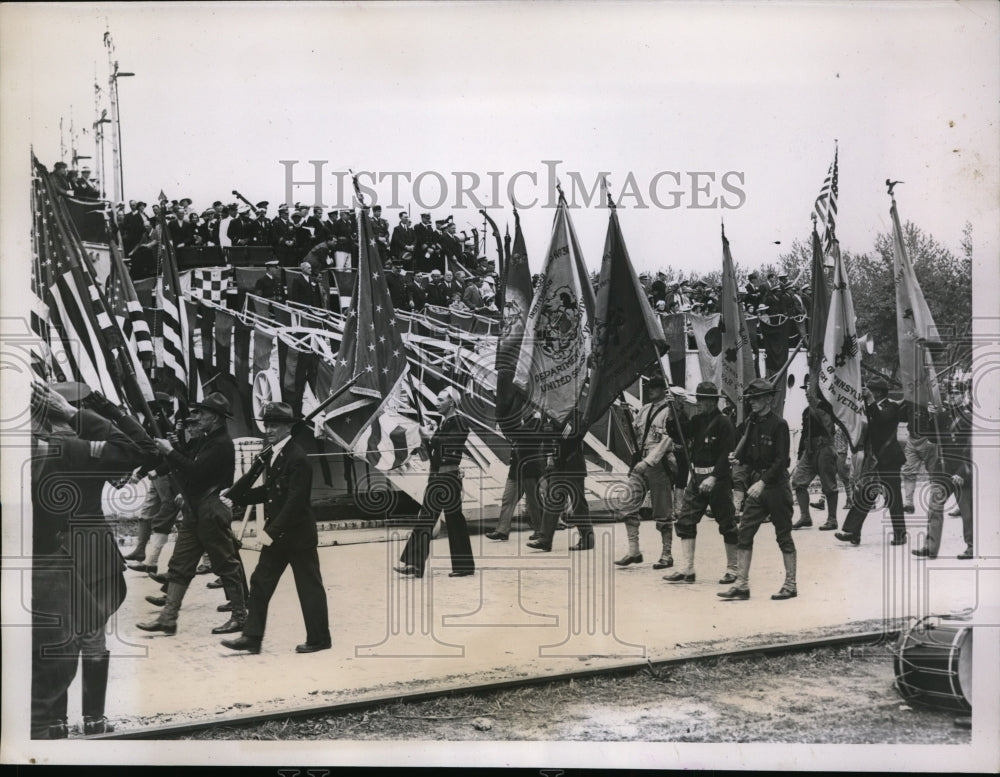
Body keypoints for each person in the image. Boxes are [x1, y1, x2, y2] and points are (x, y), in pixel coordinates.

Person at [221, 403, 331, 654]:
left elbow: (295, 503)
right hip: (279, 536)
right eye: (266, 424)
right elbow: (271, 492)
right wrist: (236, 496)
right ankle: (252, 637)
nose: (268, 429)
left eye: (274, 425)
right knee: (260, 582)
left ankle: (319, 638)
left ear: (287, 428)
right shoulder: (275, 454)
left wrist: (270, 531)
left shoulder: (297, 458)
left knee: (309, 587)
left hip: (298, 536)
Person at [136, 393, 247, 635]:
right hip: (196, 509)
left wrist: (169, 452)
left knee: (226, 564)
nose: (197, 417)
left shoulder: (221, 444)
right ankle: (168, 618)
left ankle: (240, 616)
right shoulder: (206, 440)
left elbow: (195, 471)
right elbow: (187, 465)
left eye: (202, 414)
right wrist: (173, 450)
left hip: (210, 508)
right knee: (180, 564)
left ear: (215, 418)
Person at [718, 378, 796, 600]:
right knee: (744, 532)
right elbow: (749, 455)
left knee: (783, 536)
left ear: (769, 399)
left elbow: (781, 460)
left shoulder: (779, 425)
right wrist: (737, 457)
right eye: (751, 399)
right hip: (757, 485)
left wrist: (762, 483)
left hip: (776, 486)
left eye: (757, 398)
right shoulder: (752, 424)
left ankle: (791, 584)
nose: (752, 402)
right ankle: (742, 585)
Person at [396, 389, 475, 578]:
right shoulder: (446, 423)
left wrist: (431, 436)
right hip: (439, 478)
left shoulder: (460, 422)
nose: (437, 403)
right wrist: (429, 436)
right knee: (428, 519)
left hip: (447, 478)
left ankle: (462, 566)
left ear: (452, 403)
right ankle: (417, 564)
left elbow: (452, 443)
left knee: (452, 520)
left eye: (441, 400)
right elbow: (436, 450)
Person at [665, 381, 738, 585]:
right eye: (699, 399)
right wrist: (674, 411)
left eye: (705, 400)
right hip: (696, 478)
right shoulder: (697, 420)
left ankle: (733, 569)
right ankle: (687, 568)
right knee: (685, 520)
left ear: (714, 401)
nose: (700, 403)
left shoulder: (724, 422)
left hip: (718, 479)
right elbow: (679, 432)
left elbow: (727, 454)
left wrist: (714, 477)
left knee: (727, 523)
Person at [615, 375, 678, 569]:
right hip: (641, 460)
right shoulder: (643, 410)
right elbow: (634, 435)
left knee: (662, 510)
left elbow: (668, 440)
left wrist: (649, 462)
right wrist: (625, 418)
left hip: (660, 463)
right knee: (627, 503)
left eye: (655, 387)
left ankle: (667, 554)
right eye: (649, 387)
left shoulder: (671, 412)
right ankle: (634, 551)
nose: (650, 390)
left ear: (663, 390)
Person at [836, 377, 908, 546]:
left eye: (870, 390)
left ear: (877, 392)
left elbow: (882, 420)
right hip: (873, 459)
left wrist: (869, 402)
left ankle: (900, 534)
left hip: (889, 459)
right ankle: (853, 532)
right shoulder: (869, 408)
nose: (867, 393)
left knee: (893, 497)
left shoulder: (892, 407)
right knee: (864, 495)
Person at [912, 388, 974, 560]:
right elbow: (931, 437)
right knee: (934, 507)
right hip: (943, 470)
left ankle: (972, 546)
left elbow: (973, 449)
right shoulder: (943, 415)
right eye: (949, 393)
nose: (952, 396)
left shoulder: (970, 418)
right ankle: (930, 547)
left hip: (963, 470)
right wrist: (929, 417)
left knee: (967, 512)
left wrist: (962, 472)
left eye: (956, 393)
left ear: (963, 395)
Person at [527, 427, 595, 552]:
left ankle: (587, 538)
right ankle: (545, 539)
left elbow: (571, 439)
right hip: (559, 466)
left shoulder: (571, 419)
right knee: (553, 500)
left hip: (573, 465)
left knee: (578, 503)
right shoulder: (551, 416)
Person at [486, 411, 546, 542]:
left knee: (533, 501)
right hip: (515, 468)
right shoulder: (515, 418)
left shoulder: (535, 418)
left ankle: (541, 531)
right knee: (508, 499)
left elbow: (536, 439)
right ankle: (502, 530)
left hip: (530, 467)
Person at [790, 392, 840, 531]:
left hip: (824, 448)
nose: (806, 393)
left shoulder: (827, 407)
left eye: (810, 390)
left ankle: (832, 520)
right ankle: (805, 517)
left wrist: (816, 406)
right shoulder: (806, 411)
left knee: (829, 485)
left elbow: (828, 427)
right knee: (798, 481)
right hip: (809, 450)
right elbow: (805, 432)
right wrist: (800, 453)